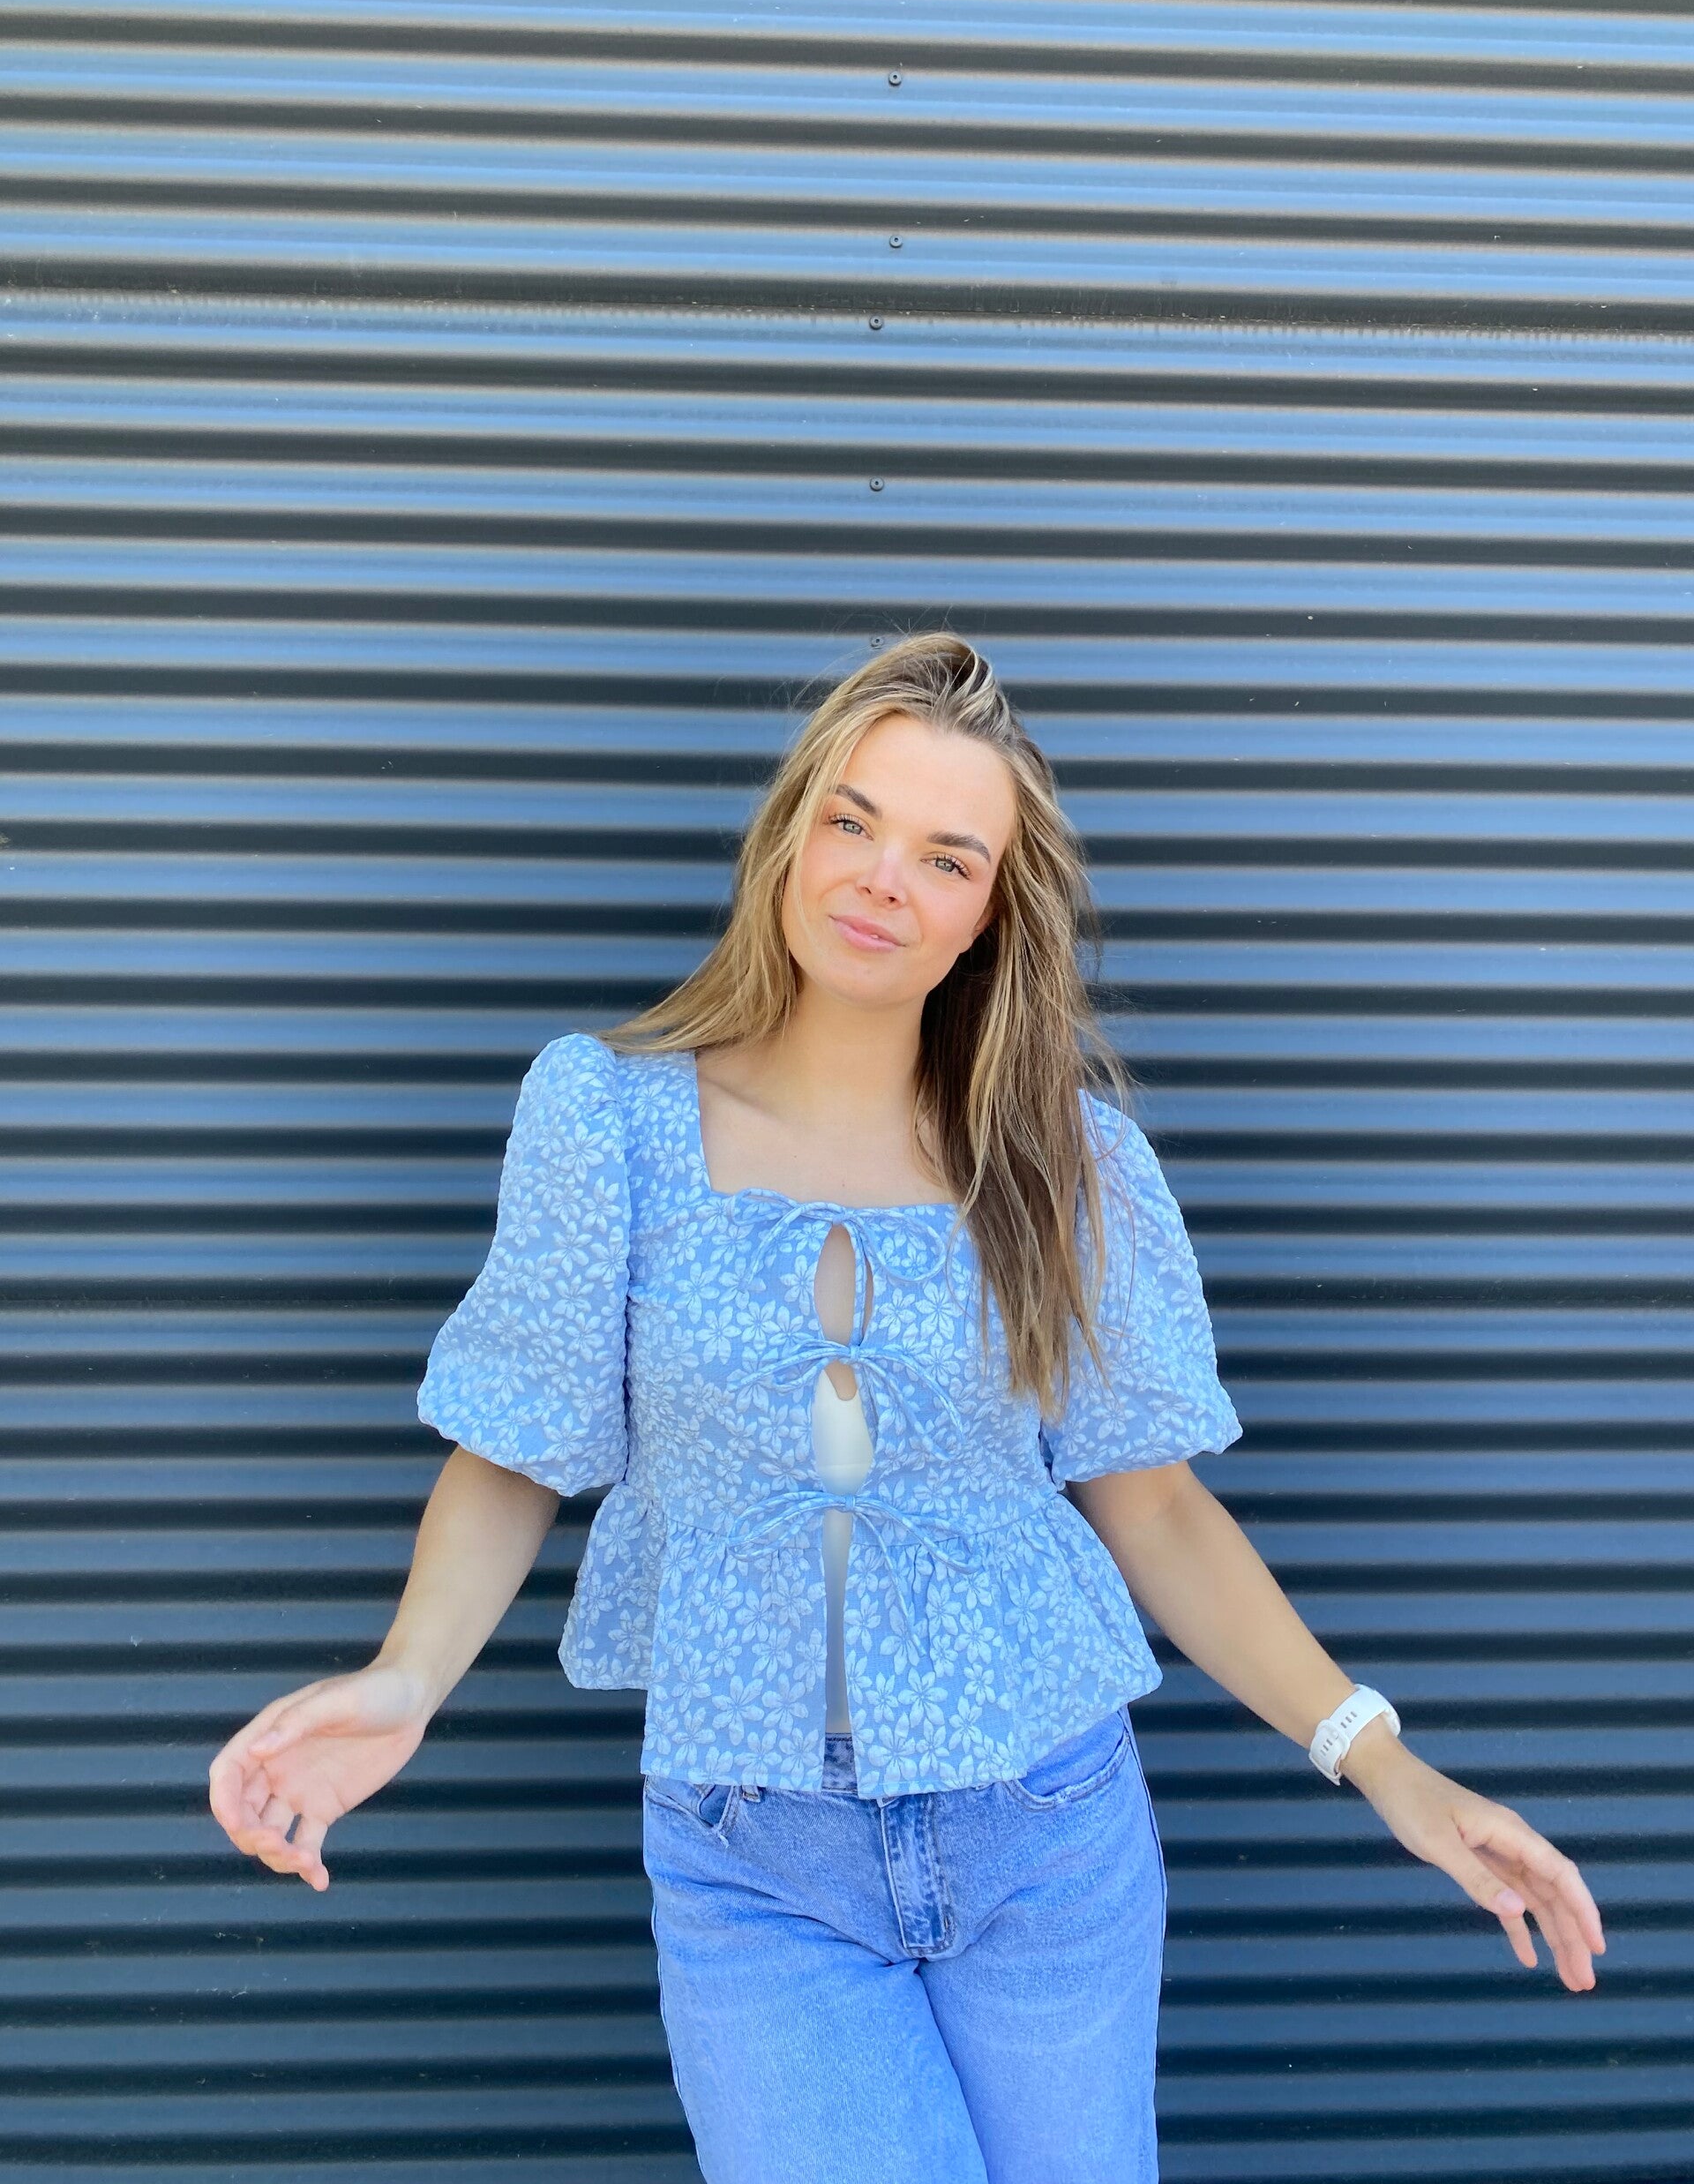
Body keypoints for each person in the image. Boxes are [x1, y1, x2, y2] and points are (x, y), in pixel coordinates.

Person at [208, 634, 1605, 2183]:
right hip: (757, 1862)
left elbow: (1152, 1506)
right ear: (791, 833)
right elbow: (515, 1451)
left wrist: (1386, 1764)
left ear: (989, 914)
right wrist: (407, 1679)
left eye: (948, 856)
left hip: (1048, 1833)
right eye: (854, 820)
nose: (884, 879)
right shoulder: (608, 1121)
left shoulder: (1067, 1164)